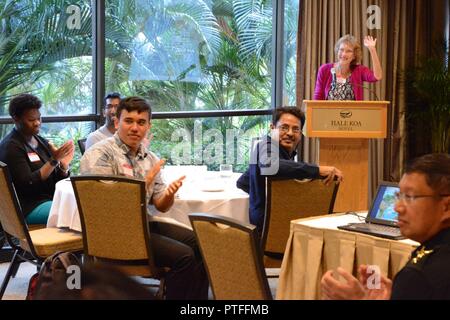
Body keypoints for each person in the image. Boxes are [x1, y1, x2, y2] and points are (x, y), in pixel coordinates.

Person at [80, 96, 209, 300]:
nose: (135, 128)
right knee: (184, 256)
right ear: (116, 122)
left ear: (148, 126)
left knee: (202, 243)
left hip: (142, 225)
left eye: (141, 123)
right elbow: (107, 205)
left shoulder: (150, 158)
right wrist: (145, 181)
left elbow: (161, 205)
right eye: (128, 121)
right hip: (110, 232)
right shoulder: (99, 154)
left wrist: (169, 194)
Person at [321, 153, 450, 300]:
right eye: (398, 196)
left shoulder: (419, 276)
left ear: (446, 206)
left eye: (410, 197)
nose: (397, 208)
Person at [236, 107, 344, 233]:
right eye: (284, 127)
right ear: (272, 128)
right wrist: (317, 170)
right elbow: (270, 165)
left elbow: (242, 182)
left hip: (280, 228)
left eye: (296, 129)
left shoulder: (278, 153)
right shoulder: (265, 146)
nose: (290, 133)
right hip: (274, 232)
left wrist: (261, 195)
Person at [0, 94, 74, 224]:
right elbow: (28, 183)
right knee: (75, 211)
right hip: (29, 207)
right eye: (31, 120)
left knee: (84, 205)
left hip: (50, 200)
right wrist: (53, 160)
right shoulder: (11, 147)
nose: (37, 123)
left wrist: (63, 166)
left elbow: (55, 181)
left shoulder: (40, 141)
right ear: (15, 119)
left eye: (39, 118)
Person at [314, 35, 382, 100]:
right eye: (341, 50)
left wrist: (372, 50)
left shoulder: (359, 70)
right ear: (337, 51)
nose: (343, 54)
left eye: (348, 51)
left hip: (353, 112)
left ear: (354, 55)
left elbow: (377, 76)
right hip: (328, 111)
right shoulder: (324, 69)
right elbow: (318, 96)